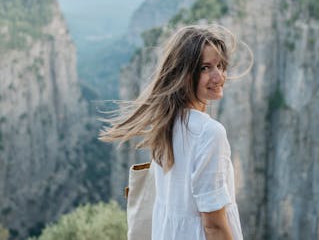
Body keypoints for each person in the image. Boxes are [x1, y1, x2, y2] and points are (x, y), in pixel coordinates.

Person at [100, 25, 243, 240]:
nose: (219, 76)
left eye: (221, 65)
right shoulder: (210, 132)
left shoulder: (166, 122)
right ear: (185, 75)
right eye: (205, 68)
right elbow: (214, 226)